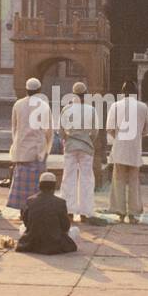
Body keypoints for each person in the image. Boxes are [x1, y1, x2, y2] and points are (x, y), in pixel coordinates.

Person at [106, 81, 148, 223]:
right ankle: (132, 214)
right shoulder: (143, 107)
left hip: (120, 148)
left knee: (118, 181)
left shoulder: (115, 106)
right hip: (135, 149)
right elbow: (146, 130)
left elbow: (110, 128)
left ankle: (120, 212)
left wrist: (120, 138)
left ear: (122, 92)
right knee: (133, 181)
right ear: (136, 92)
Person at [60, 81, 101, 224]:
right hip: (86, 147)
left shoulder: (66, 109)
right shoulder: (91, 110)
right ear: (86, 94)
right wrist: (87, 139)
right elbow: (95, 131)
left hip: (70, 145)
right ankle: (85, 212)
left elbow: (61, 130)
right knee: (86, 178)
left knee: (68, 178)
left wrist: (67, 139)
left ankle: (69, 212)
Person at [8, 77, 51, 211]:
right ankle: (35, 210)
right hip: (36, 150)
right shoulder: (43, 105)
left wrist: (16, 143)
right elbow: (48, 130)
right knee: (35, 185)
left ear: (26, 90)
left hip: (21, 150)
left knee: (21, 185)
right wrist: (46, 149)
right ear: (39, 90)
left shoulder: (18, 104)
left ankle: (23, 211)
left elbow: (14, 128)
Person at [16, 171, 77, 255]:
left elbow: (26, 223)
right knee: (75, 230)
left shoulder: (30, 200)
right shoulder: (60, 202)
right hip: (54, 243)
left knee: (22, 228)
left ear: (39, 185)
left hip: (33, 242)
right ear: (54, 186)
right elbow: (65, 227)